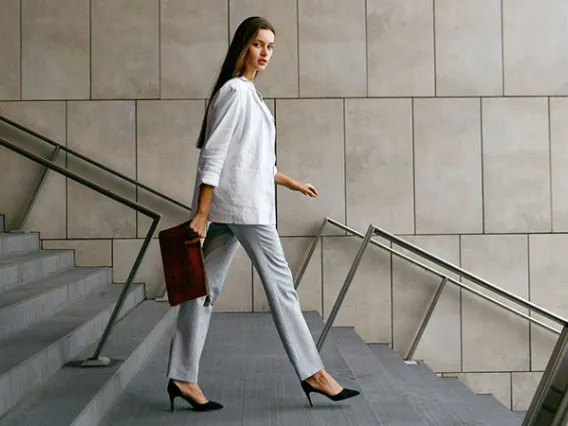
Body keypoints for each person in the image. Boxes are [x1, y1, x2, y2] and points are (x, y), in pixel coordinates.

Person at [166, 16, 360, 412]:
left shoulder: (246, 93)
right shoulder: (237, 92)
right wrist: (201, 214)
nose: (265, 53)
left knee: (201, 292)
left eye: (270, 46)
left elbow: (252, 162)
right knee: (281, 288)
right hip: (244, 210)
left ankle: (182, 377)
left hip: (235, 205)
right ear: (243, 46)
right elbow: (215, 154)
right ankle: (313, 373)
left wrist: (290, 182)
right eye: (258, 44)